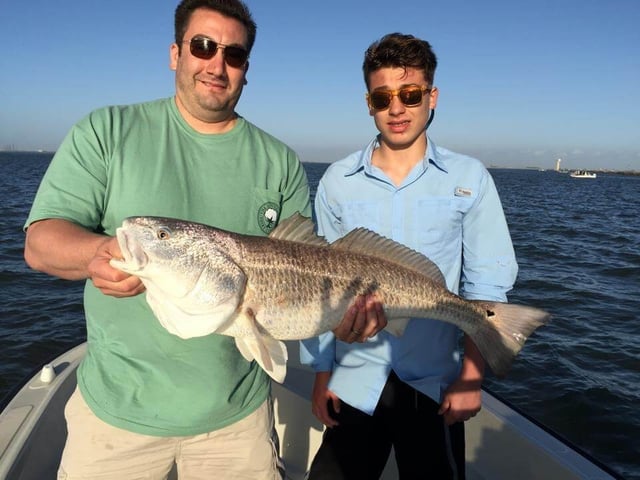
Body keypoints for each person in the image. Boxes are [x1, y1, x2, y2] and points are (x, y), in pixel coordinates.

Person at [23, 1, 312, 478]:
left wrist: (350, 317)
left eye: (234, 54)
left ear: (246, 69)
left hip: (238, 421)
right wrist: (97, 253)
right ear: (176, 53)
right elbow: (40, 242)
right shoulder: (107, 131)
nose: (217, 64)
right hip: (115, 421)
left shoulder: (280, 161)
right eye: (203, 46)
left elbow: (307, 270)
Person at [300, 33, 519, 479]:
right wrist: (321, 373)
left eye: (410, 93)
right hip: (354, 382)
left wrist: (471, 377)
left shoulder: (468, 177)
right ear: (369, 103)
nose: (397, 108)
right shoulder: (337, 181)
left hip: (432, 388)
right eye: (383, 97)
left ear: (431, 96)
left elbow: (486, 288)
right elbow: (316, 285)